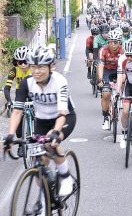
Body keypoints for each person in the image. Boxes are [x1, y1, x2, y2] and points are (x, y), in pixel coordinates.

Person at [3, 46, 77, 200]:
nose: (36, 71)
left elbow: (62, 113)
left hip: (64, 118)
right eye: (33, 67)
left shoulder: (59, 81)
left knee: (51, 143)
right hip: (42, 121)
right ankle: (45, 200)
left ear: (50, 67)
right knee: (39, 162)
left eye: (41, 67)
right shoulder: (26, 83)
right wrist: (10, 135)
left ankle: (65, 177)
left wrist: (56, 132)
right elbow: (17, 111)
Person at [3, 46, 32, 154]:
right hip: (20, 93)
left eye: (26, 61)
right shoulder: (14, 71)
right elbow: (7, 88)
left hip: (33, 93)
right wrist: (9, 101)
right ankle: (20, 144)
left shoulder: (34, 68)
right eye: (20, 62)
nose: (23, 64)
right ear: (16, 62)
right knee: (18, 116)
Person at [97, 30, 125, 130]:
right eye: (110, 42)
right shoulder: (103, 50)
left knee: (122, 84)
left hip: (119, 71)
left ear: (119, 42)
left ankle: (120, 98)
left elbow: (125, 67)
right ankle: (105, 117)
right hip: (106, 71)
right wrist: (100, 79)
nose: (113, 45)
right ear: (107, 42)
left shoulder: (123, 51)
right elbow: (100, 65)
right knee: (106, 94)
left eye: (115, 42)